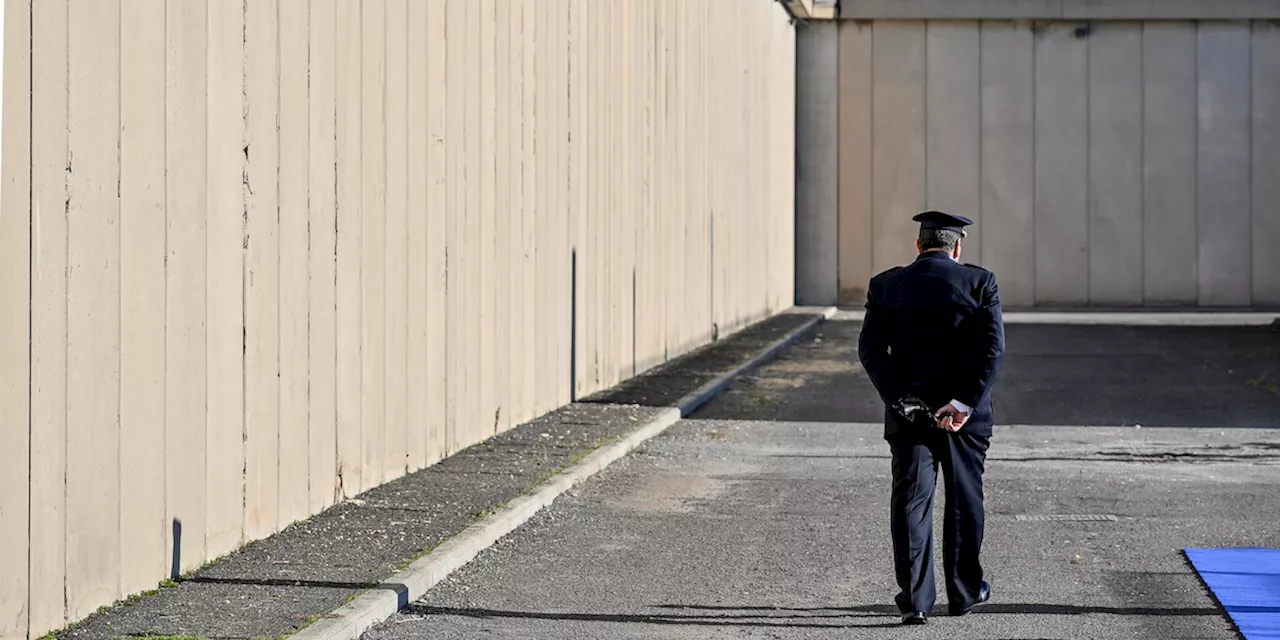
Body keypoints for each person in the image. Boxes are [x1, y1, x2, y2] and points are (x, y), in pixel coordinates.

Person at [856, 210, 1006, 626]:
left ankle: (916, 598)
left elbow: (870, 351)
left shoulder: (886, 285)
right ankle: (964, 592)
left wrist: (901, 399)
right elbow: (991, 350)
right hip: (964, 418)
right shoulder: (980, 282)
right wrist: (962, 403)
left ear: (918, 246)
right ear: (957, 247)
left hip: (910, 415)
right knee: (964, 498)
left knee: (912, 502)